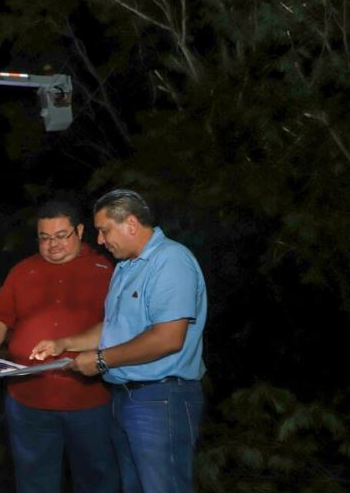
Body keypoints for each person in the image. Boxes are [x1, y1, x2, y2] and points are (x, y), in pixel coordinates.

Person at [30, 189, 207, 493]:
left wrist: (101, 360)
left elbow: (168, 338)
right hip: (125, 399)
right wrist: (64, 343)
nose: (99, 240)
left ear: (132, 224)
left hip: (162, 399)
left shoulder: (171, 261)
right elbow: (113, 328)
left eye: (103, 230)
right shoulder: (125, 268)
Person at [0, 200, 119, 493]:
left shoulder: (105, 269)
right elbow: (0, 316)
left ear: (80, 230)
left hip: (89, 401)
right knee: (34, 481)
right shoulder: (23, 271)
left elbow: (120, 325)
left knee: (97, 479)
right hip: (28, 402)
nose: (53, 245)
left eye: (62, 235)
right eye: (45, 238)